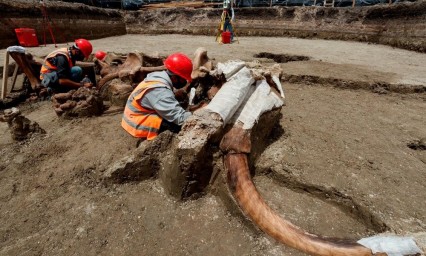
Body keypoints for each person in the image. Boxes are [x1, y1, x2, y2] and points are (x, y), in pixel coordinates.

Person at [121, 52, 193, 141]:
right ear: (174, 77)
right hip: (135, 122)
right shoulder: (160, 92)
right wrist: (198, 114)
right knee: (177, 126)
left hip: (137, 113)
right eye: (183, 79)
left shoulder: (158, 77)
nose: (185, 82)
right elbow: (180, 118)